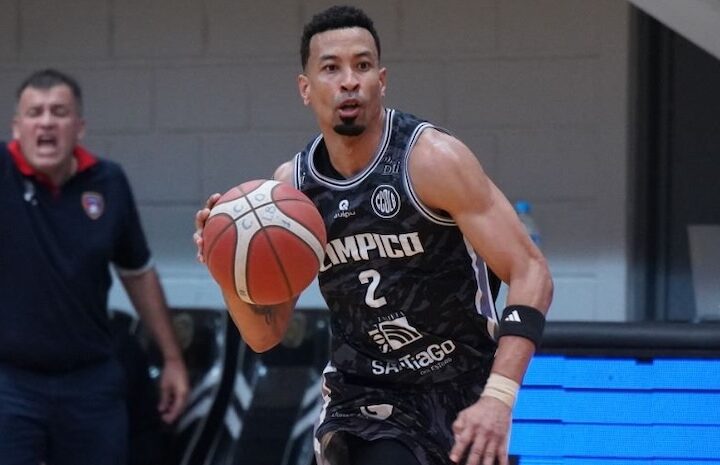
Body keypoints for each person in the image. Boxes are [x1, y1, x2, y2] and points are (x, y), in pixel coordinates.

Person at [194, 6, 553, 465]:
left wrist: (500, 398)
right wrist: (227, 269)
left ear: (381, 81)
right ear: (306, 89)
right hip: (364, 394)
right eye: (331, 68)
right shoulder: (293, 192)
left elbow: (531, 272)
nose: (349, 81)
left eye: (362, 66)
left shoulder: (431, 160)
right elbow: (266, 334)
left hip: (461, 383)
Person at [0, 68, 189, 465]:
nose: (46, 122)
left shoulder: (108, 182)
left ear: (79, 127)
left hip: (91, 382)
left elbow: (138, 273)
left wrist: (172, 359)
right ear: (17, 128)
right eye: (35, 113)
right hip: (11, 383)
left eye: (59, 112)